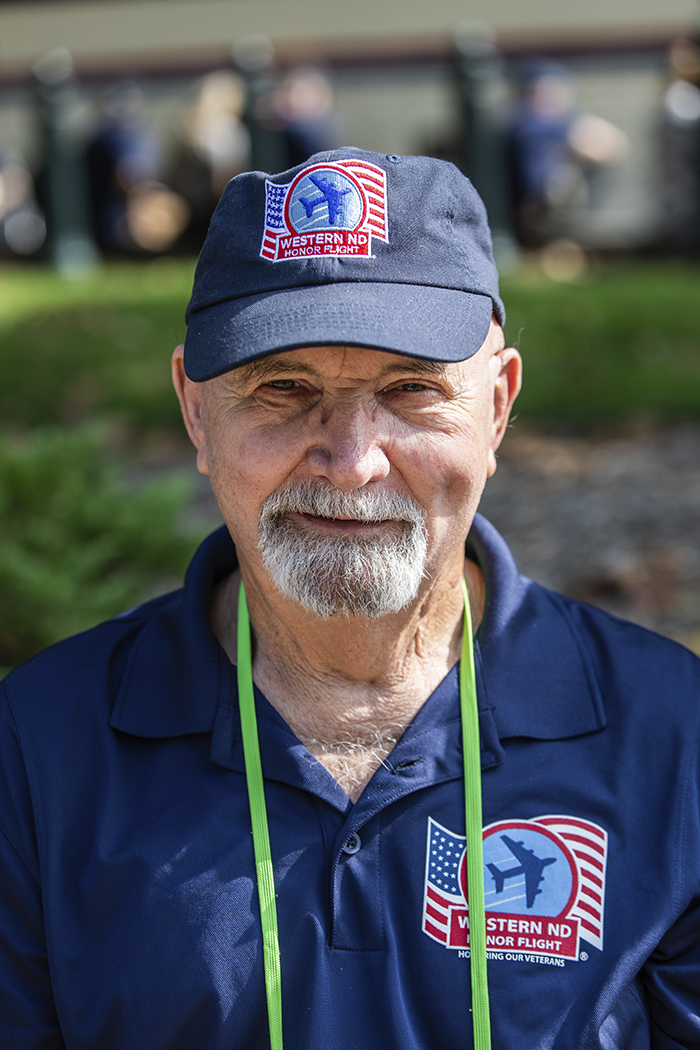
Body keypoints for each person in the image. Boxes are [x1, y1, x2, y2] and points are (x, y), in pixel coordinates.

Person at [1, 148, 699, 1050]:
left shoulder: (673, 736)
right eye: (283, 389)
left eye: (412, 389)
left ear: (496, 409)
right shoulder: (33, 749)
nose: (353, 460)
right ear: (194, 410)